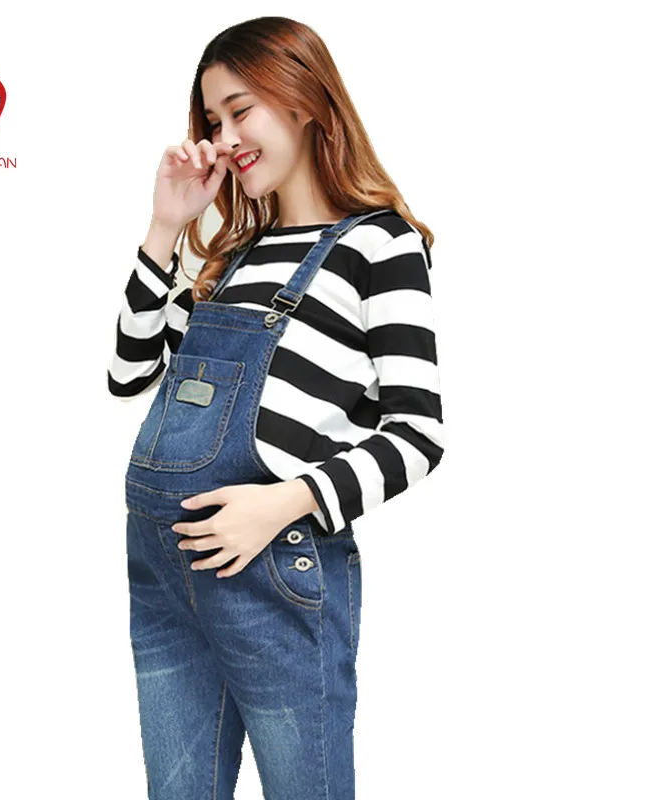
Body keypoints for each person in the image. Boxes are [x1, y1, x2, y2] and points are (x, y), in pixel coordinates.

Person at [108, 16, 445, 800]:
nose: (224, 139)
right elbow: (130, 374)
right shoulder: (232, 256)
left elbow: (419, 433)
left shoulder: (379, 245)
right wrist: (166, 228)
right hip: (165, 576)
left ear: (303, 99)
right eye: (212, 121)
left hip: (273, 571)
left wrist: (282, 503)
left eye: (240, 111)